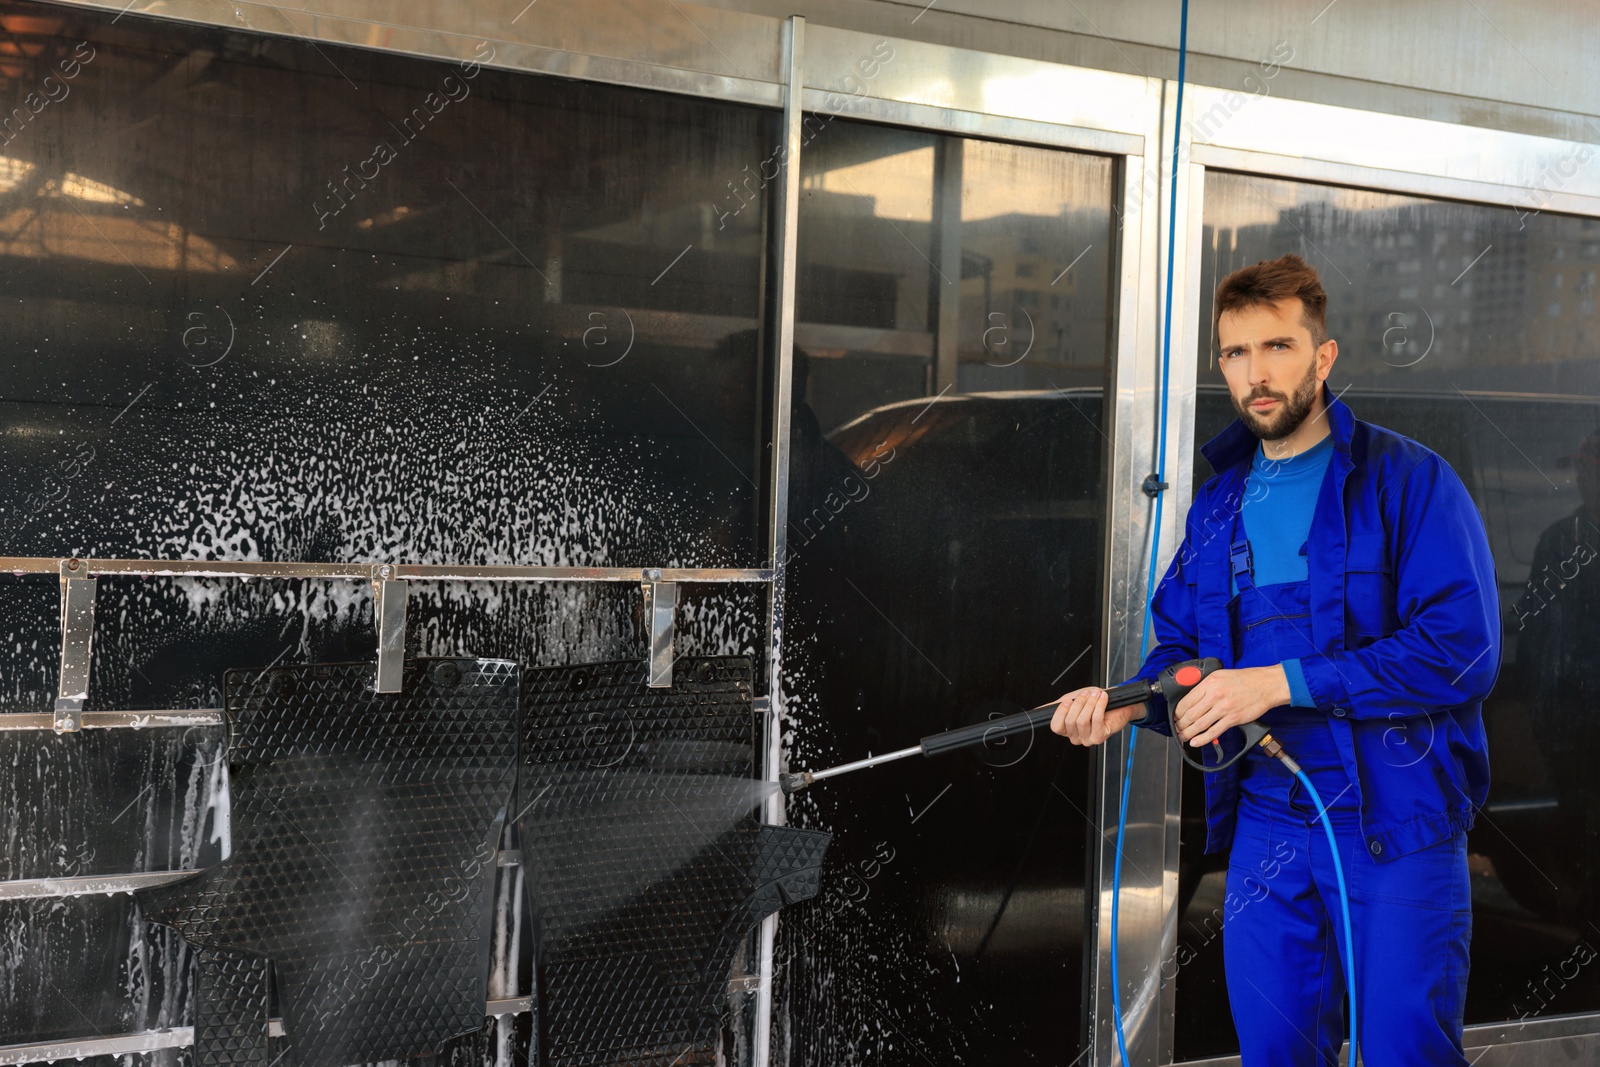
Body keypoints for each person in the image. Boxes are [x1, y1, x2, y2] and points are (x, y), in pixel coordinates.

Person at [1050, 253, 1501, 1064]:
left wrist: (1281, 681)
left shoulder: (1409, 483)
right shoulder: (1221, 504)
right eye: (1235, 353)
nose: (1256, 374)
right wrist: (1132, 701)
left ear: (1323, 357)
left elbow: (1461, 652)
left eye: (1278, 347)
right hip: (1267, 820)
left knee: (1405, 1047)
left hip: (1396, 820)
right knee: (1276, 1046)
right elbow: (1183, 654)